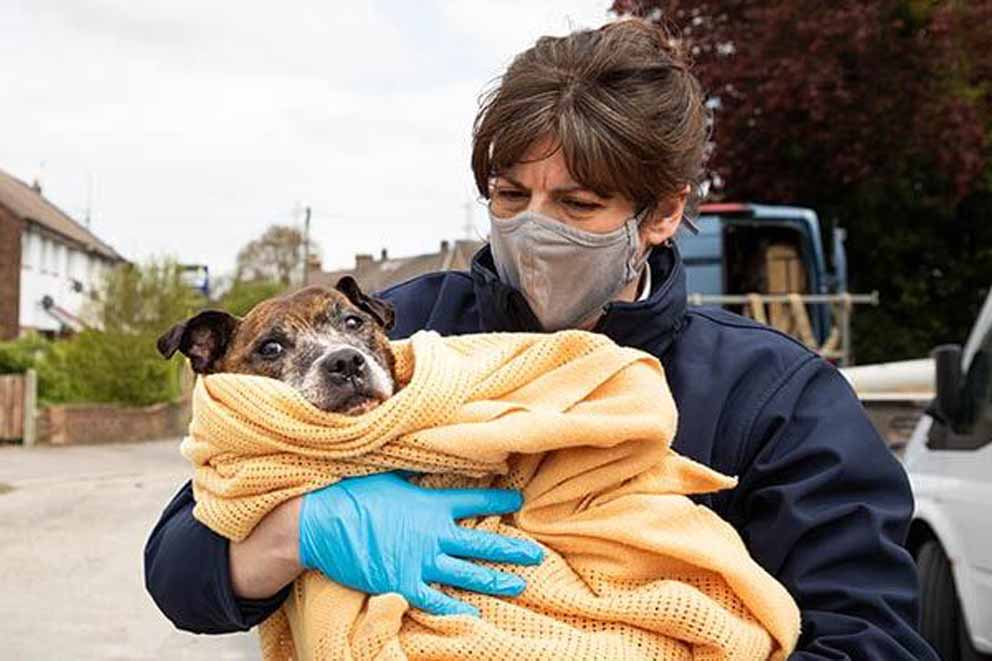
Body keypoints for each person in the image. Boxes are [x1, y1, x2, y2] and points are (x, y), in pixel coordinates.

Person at [145, 19, 937, 659]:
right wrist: (303, 529)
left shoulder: (774, 397)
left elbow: (871, 636)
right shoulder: (407, 332)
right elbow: (180, 565)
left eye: (580, 203)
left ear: (661, 213)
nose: (535, 228)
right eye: (510, 193)